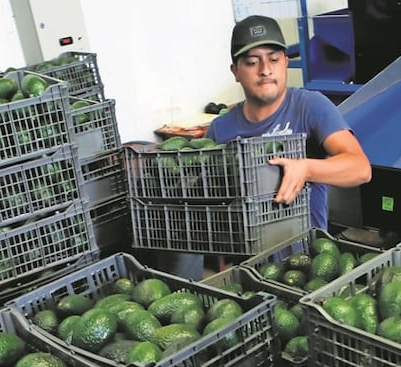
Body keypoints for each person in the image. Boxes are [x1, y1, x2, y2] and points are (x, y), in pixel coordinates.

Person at [152, 14, 372, 281]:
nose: (265, 69)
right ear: (235, 72)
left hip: (305, 263)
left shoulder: (310, 106)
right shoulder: (220, 129)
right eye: (252, 62)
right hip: (249, 269)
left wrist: (306, 168)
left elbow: (360, 168)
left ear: (285, 63)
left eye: (273, 59)